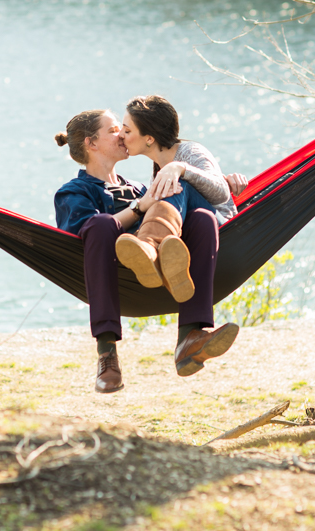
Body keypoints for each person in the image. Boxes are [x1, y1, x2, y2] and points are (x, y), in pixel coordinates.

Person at [54, 103, 248, 394]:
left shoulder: (139, 187)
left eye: (123, 129)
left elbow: (175, 211)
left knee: (204, 218)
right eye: (114, 130)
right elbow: (85, 236)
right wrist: (139, 208)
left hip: (159, 270)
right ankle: (107, 354)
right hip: (116, 269)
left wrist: (220, 184)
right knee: (102, 225)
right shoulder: (74, 192)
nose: (122, 135)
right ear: (91, 143)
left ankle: (190, 337)